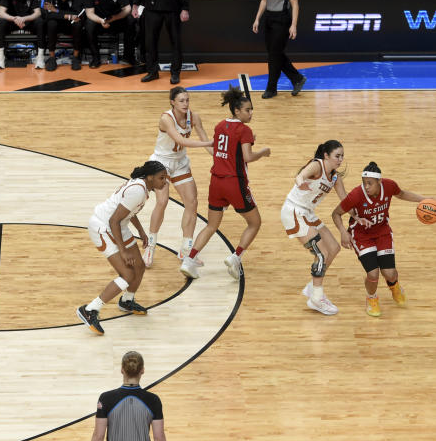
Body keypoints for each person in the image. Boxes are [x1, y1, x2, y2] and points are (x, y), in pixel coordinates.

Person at [179, 86, 271, 280]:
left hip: (216, 182)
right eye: (248, 110)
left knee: (211, 225)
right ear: (237, 111)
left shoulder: (220, 125)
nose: (251, 113)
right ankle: (236, 257)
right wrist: (263, 152)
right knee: (254, 223)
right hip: (234, 183)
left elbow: (224, 150)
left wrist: (248, 141)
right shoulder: (244, 130)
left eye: (251, 109)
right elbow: (247, 157)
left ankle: (189, 260)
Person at [331, 162, 434, 317]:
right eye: (364, 183)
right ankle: (371, 298)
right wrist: (342, 233)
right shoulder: (356, 195)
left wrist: (423, 200)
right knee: (373, 274)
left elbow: (402, 194)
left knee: (390, 274)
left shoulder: (389, 185)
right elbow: (336, 213)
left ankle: (394, 286)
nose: (366, 186)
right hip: (361, 235)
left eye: (370, 183)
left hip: (382, 232)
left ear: (379, 182)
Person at [77, 161, 169, 333]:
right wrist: (124, 251)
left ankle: (127, 300)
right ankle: (90, 310)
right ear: (150, 177)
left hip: (119, 225)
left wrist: (141, 231)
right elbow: (114, 220)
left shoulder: (142, 187)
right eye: (161, 178)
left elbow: (128, 212)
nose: (165, 182)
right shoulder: (138, 190)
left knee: (139, 266)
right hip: (103, 227)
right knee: (127, 274)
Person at [142, 86, 213, 267]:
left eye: (187, 100)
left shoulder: (194, 117)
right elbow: (180, 140)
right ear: (172, 102)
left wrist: (219, 155)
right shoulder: (166, 119)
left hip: (180, 162)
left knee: (192, 202)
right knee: (162, 201)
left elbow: (207, 143)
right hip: (162, 163)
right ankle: (150, 247)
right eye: (181, 100)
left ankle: (186, 250)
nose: (185, 104)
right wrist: (207, 142)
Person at [280, 140, 350, 315]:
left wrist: (361, 215)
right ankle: (317, 298)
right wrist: (300, 181)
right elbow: (300, 176)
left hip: (308, 212)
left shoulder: (335, 177)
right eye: (337, 156)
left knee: (333, 248)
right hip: (294, 210)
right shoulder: (317, 165)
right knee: (321, 254)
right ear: (326, 155)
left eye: (342, 156)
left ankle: (312, 287)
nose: (340, 160)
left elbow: (346, 201)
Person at [252, 0, 306, 100]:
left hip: (282, 21)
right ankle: (297, 78)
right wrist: (257, 19)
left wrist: (294, 25)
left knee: (274, 55)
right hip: (269, 19)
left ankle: (271, 88)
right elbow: (264, 0)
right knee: (274, 54)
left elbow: (295, 4)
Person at [83, 0, 136, 68]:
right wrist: (101, 21)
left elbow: (127, 8)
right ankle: (96, 58)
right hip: (98, 21)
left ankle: (128, 56)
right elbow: (89, 13)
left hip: (115, 19)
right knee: (89, 24)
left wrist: (114, 18)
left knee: (131, 20)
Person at [0, 0, 45, 70]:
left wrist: (24, 19)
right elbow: (1, 13)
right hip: (12, 21)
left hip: (28, 20)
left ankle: (40, 57)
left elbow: (37, 12)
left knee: (40, 22)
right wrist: (14, 19)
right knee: (1, 23)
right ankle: (0, 57)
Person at [42, 0, 83, 71]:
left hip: (70, 24)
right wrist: (67, 15)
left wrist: (56, 11)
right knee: (51, 23)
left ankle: (76, 57)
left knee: (77, 24)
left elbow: (77, 13)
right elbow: (47, 14)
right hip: (56, 23)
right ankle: (52, 58)